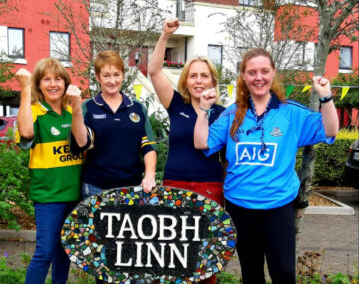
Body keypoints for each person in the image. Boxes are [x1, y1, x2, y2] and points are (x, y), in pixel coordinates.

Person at [194, 47, 339, 284]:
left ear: (273, 73)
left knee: (283, 273)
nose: (258, 77)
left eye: (264, 71)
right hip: (239, 206)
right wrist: (203, 109)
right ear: (243, 76)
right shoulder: (232, 114)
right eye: (252, 72)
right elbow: (201, 142)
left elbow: (331, 129)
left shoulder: (290, 112)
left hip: (278, 206)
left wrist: (326, 97)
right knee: (251, 275)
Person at [15, 58, 83, 284]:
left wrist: (77, 107)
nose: (53, 84)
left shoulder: (71, 110)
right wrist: (25, 89)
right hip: (49, 196)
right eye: (46, 79)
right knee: (44, 251)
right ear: (38, 84)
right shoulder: (34, 110)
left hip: (75, 194)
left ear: (65, 83)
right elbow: (25, 133)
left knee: (65, 251)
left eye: (58, 79)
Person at [147, 19, 226, 207]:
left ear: (212, 81)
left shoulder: (223, 114)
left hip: (210, 186)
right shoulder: (176, 104)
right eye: (193, 76)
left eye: (204, 76)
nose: (198, 81)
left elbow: (227, 160)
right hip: (175, 184)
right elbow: (154, 71)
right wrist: (165, 34)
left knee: (208, 237)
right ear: (186, 81)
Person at [67, 50, 157, 199]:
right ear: (98, 77)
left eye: (116, 74)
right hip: (96, 187)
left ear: (123, 75)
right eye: (106, 75)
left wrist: (149, 175)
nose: (112, 80)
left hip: (132, 188)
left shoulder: (137, 107)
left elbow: (148, 146)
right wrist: (76, 107)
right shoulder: (88, 107)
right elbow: (82, 142)